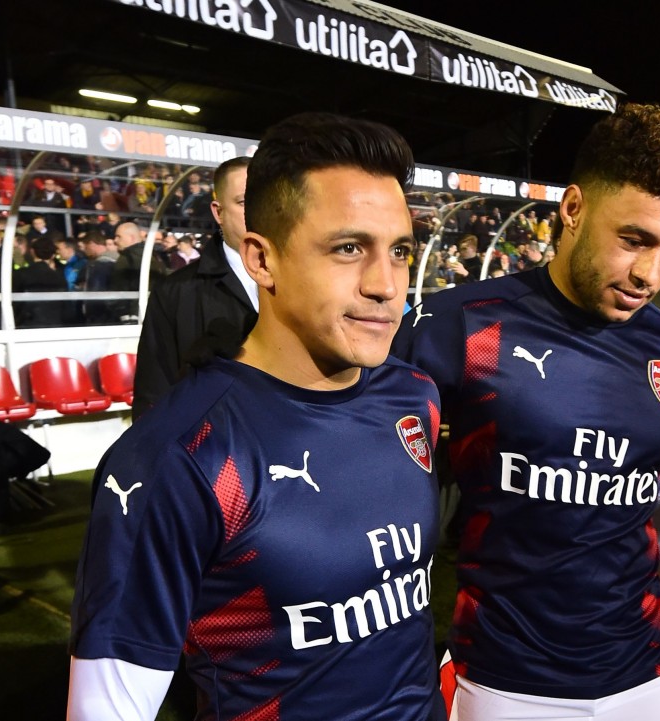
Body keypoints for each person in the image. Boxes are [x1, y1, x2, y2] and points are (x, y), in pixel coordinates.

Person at [68, 112, 445, 721]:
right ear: (261, 260)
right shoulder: (180, 456)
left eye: (399, 251)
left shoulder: (414, 397)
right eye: (349, 248)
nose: (386, 284)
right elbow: (108, 709)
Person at [393, 102, 660, 721]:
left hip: (645, 670)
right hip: (505, 678)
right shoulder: (457, 326)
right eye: (633, 241)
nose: (650, 274)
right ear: (573, 209)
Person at [133, 156, 259, 419]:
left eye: (267, 198)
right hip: (215, 449)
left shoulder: (311, 281)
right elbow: (154, 390)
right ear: (218, 211)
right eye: (245, 201)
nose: (259, 210)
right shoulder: (174, 292)